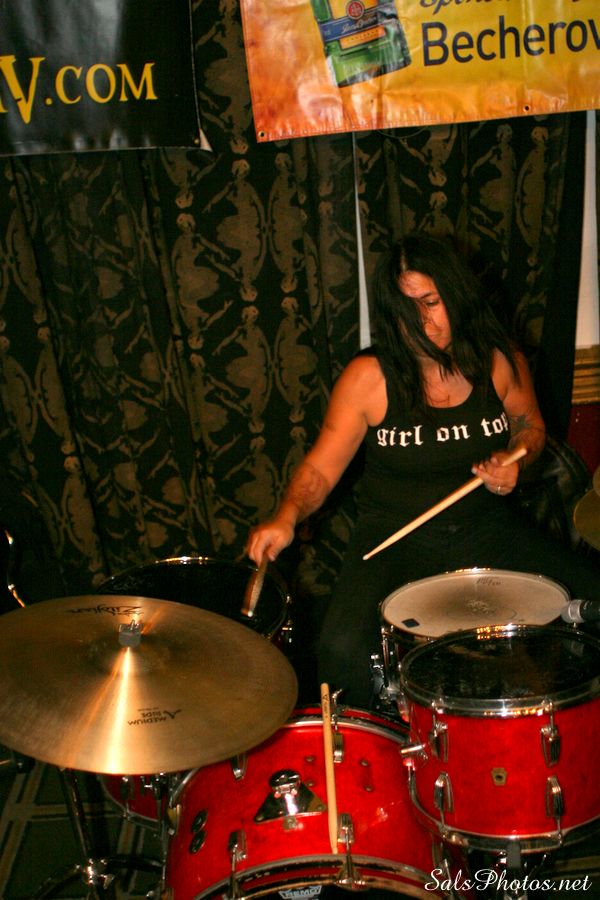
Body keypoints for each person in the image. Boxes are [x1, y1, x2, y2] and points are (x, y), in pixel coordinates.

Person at [246, 234, 600, 708]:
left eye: (431, 303)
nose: (422, 322)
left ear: (455, 294)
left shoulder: (499, 361)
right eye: (406, 309)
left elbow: (530, 427)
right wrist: (287, 515)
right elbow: (320, 469)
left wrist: (516, 457)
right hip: (393, 537)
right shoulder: (369, 379)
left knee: (594, 600)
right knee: (340, 652)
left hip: (487, 527)